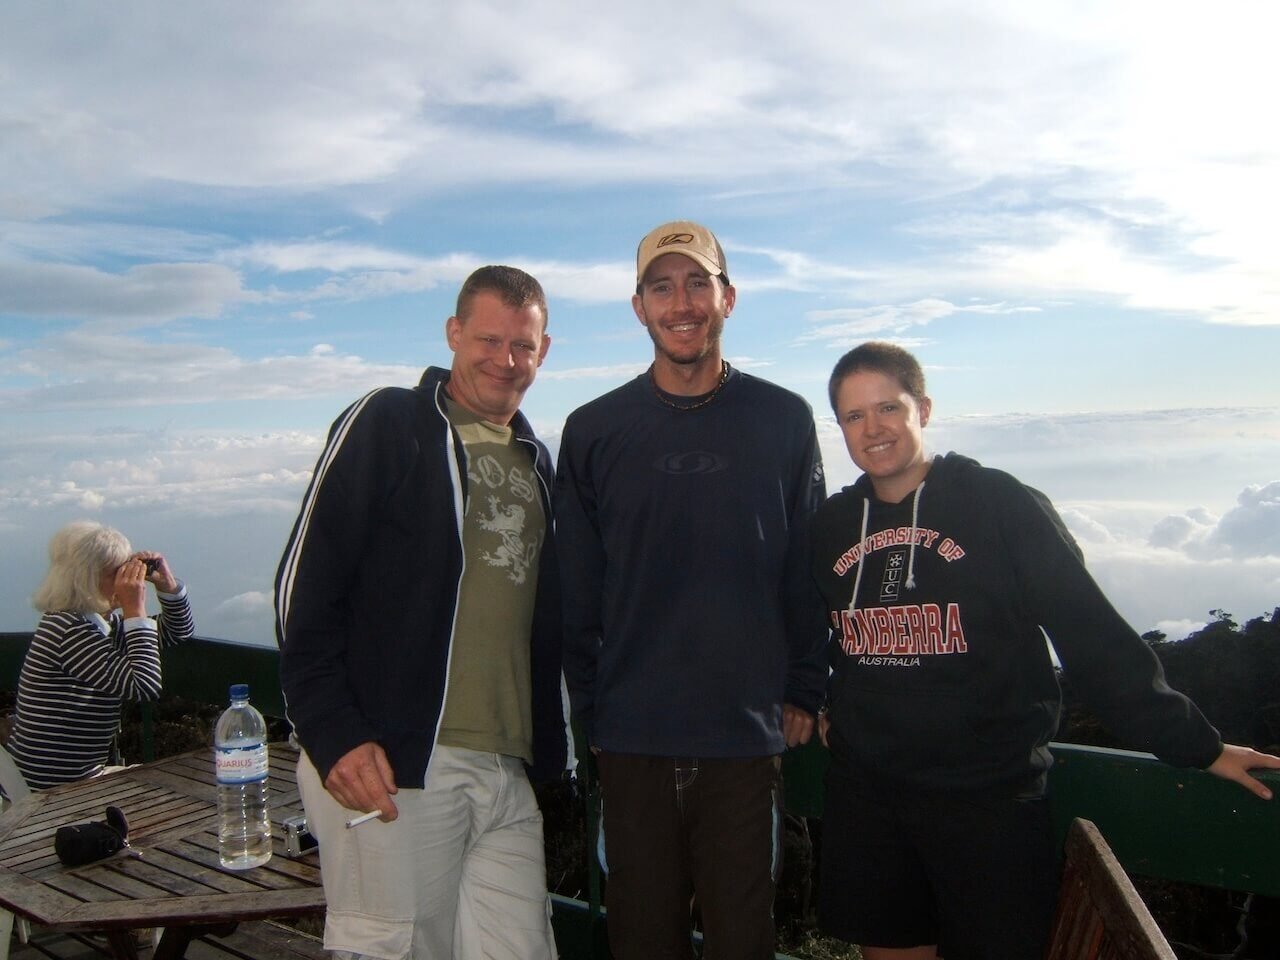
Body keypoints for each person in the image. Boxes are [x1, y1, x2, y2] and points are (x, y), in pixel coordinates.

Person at [810, 341, 1280, 960]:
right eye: (853, 416)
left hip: (989, 803)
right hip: (871, 800)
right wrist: (814, 696)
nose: (873, 430)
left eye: (887, 408)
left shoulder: (1001, 505)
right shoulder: (832, 528)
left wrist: (1199, 745)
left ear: (922, 408)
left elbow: (1090, 635)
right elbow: (801, 630)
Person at [274, 265, 570, 960]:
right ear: (454, 333)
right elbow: (302, 587)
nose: (505, 360)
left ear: (543, 350)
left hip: (506, 766)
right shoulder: (389, 422)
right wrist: (332, 732)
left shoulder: (535, 459)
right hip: (398, 761)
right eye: (488, 340)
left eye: (522, 346)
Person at [554, 220, 829, 959]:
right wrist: (595, 723)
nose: (682, 302)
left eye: (698, 282)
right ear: (638, 306)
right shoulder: (593, 430)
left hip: (744, 744)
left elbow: (808, 566)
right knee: (643, 943)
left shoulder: (783, 420)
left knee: (744, 943)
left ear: (728, 298)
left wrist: (805, 685)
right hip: (634, 743)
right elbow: (575, 597)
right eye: (662, 285)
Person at [6, 520, 193, 790]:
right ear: (87, 578)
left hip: (66, 777)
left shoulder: (92, 622)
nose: (129, 579)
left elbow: (177, 632)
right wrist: (134, 610)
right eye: (117, 572)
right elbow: (145, 686)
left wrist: (168, 585)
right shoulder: (69, 629)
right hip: (51, 790)